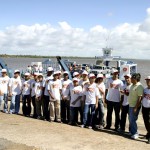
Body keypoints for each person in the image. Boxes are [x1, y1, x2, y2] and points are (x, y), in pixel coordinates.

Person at [128, 73, 143, 139]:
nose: (130, 79)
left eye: (132, 78)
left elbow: (140, 98)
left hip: (134, 106)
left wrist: (136, 107)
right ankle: (132, 131)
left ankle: (135, 133)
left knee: (132, 120)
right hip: (131, 105)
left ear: (135, 79)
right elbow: (131, 94)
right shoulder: (132, 85)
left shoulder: (139, 86)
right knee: (130, 119)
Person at [142, 76, 150, 144]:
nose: (148, 82)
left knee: (149, 122)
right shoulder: (145, 89)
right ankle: (148, 133)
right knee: (146, 121)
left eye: (149, 80)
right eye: (147, 80)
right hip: (144, 107)